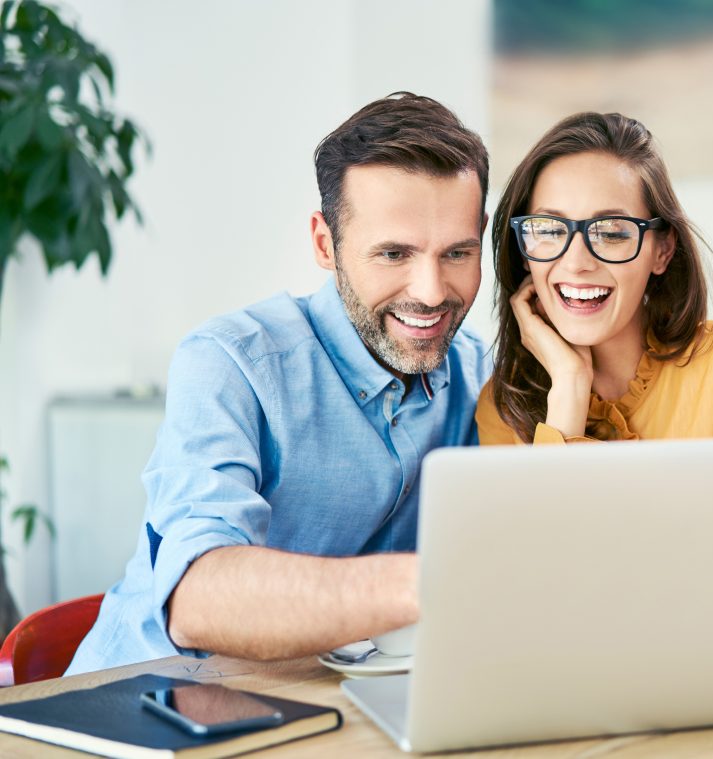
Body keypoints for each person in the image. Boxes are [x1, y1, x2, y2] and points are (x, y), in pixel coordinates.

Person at [66, 93, 491, 674]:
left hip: (326, 700)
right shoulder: (229, 362)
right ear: (325, 243)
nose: (431, 291)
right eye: (393, 253)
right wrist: (435, 583)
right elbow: (198, 599)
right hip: (150, 697)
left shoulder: (477, 373)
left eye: (458, 253)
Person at [475, 111, 713, 664]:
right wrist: (568, 389)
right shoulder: (506, 406)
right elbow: (535, 612)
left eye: (612, 231)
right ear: (523, 251)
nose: (577, 260)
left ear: (662, 251)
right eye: (549, 230)